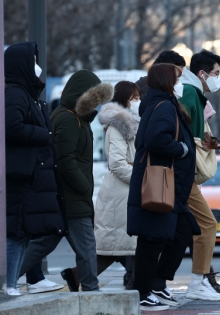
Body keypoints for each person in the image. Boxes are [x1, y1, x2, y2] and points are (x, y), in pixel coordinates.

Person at [19, 70, 113, 293]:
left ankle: (4, 277)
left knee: (44, 243)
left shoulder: (75, 118)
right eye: (95, 99)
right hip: (71, 197)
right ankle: (91, 291)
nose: (97, 105)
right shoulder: (70, 119)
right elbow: (65, 159)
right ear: (83, 97)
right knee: (87, 247)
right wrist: (84, 187)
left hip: (64, 195)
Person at [127, 64, 200, 312]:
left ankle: (157, 283)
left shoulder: (164, 104)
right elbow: (155, 139)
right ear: (167, 81)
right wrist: (181, 149)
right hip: (160, 183)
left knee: (182, 232)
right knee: (152, 239)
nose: (180, 83)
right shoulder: (164, 106)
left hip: (171, 185)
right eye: (178, 78)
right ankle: (142, 291)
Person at [63, 81, 142, 291]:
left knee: (123, 246)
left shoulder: (131, 124)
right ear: (124, 99)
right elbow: (117, 163)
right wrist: (141, 178)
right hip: (121, 193)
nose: (138, 101)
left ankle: (77, 275)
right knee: (127, 245)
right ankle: (141, 287)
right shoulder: (119, 126)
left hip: (125, 192)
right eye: (134, 98)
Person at [3, 42, 64, 296]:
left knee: (26, 231)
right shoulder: (16, 93)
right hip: (24, 174)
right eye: (34, 60)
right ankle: (8, 283)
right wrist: (44, 133)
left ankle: (19, 281)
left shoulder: (26, 95)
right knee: (17, 232)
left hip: (32, 174)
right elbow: (12, 127)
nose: (37, 65)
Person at [178, 49, 220, 300]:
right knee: (207, 224)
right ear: (201, 74)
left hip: (184, 172)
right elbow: (179, 130)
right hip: (183, 173)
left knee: (181, 229)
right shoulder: (189, 94)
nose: (218, 78)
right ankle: (198, 282)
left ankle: (154, 283)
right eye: (215, 73)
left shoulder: (194, 94)